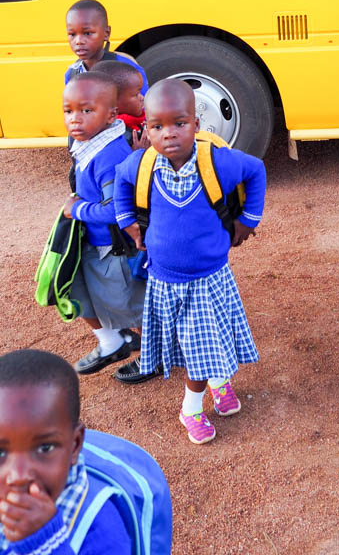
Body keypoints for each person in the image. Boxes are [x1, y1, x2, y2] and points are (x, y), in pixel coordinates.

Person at [114, 78, 266, 444]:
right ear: (146, 128)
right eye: (157, 126)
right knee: (197, 348)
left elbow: (256, 171)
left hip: (211, 275)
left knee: (214, 336)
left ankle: (217, 384)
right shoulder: (141, 166)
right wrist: (130, 226)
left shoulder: (216, 161)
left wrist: (248, 220)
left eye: (179, 123)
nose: (168, 134)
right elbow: (121, 187)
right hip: (168, 281)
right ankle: (191, 408)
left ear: (196, 124)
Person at [0, 348, 171, 555]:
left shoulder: (100, 529)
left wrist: (45, 547)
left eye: (44, 448)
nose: (18, 475)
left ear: (75, 445)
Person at [63, 72, 149, 379]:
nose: (75, 119)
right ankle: (114, 340)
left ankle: (157, 355)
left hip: (115, 249)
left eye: (86, 110)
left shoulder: (109, 154)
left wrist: (78, 209)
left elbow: (117, 209)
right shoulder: (90, 143)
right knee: (78, 291)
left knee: (133, 305)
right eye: (68, 110)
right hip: (96, 242)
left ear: (111, 114)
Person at [64, 0, 148, 93]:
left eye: (87, 33)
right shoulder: (72, 74)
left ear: (106, 33)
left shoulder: (126, 68)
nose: (78, 41)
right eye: (72, 34)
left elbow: (142, 103)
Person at [93, 60, 148, 149]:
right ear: (114, 101)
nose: (142, 98)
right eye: (136, 95)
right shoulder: (114, 135)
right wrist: (138, 152)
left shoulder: (135, 122)